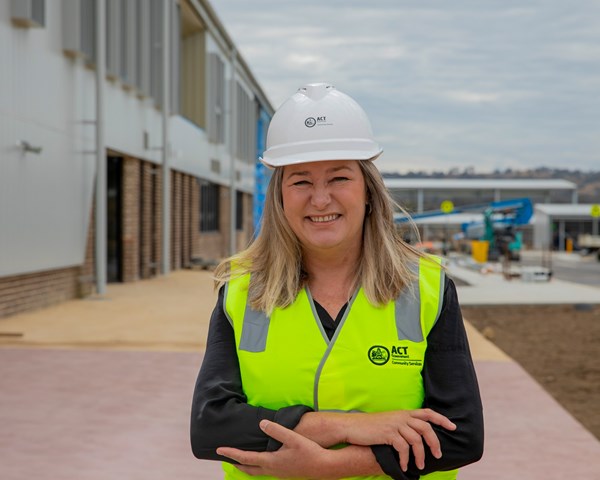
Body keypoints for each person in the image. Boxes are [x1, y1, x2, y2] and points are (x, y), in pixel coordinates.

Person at [190, 83, 484, 480]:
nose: (321, 199)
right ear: (280, 198)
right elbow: (210, 427)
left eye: (339, 178)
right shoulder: (241, 291)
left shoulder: (425, 287)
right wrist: (344, 426)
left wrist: (334, 465)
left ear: (368, 191)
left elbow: (461, 435)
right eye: (301, 181)